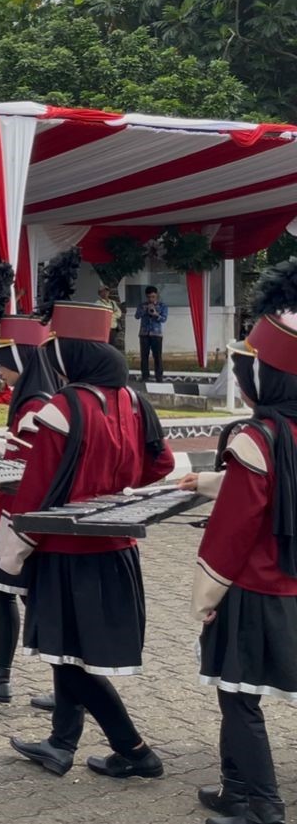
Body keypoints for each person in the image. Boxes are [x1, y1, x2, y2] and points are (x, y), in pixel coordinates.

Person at [0, 249, 175, 783]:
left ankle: (135, 748)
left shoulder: (63, 406)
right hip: (117, 549)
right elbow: (160, 462)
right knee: (64, 654)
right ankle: (61, 743)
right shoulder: (134, 400)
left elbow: (35, 492)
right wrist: (118, 488)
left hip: (66, 552)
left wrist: (13, 552)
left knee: (69, 658)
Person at [180, 260, 296, 824]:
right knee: (241, 692)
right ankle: (235, 790)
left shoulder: (259, 435)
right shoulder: (289, 432)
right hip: (291, 584)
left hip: (252, 589)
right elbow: (277, 487)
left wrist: (204, 599)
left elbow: (232, 532)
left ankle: (261, 803)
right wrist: (206, 480)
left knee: (238, 694)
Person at [0, 266, 62, 710]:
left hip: (18, 515)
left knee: (4, 590)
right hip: (18, 511)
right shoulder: (35, 399)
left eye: (5, 362)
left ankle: (1, 675)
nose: (0, 370)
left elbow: (27, 467)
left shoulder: (35, 406)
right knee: (12, 592)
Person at [136, 286, 168, 382]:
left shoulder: (162, 306)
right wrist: (144, 310)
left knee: (157, 356)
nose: (151, 299)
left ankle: (159, 376)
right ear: (146, 296)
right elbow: (137, 316)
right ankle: (145, 376)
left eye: (153, 297)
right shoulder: (142, 305)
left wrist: (156, 314)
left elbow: (164, 319)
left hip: (156, 334)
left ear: (156, 295)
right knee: (144, 356)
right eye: (149, 297)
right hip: (144, 333)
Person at [97, 284, 125, 355]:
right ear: (100, 293)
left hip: (113, 328)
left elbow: (119, 313)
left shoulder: (112, 303)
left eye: (106, 291)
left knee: (112, 346)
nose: (105, 293)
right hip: (104, 328)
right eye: (103, 291)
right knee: (105, 346)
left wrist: (111, 315)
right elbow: (102, 314)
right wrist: (110, 314)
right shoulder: (98, 303)